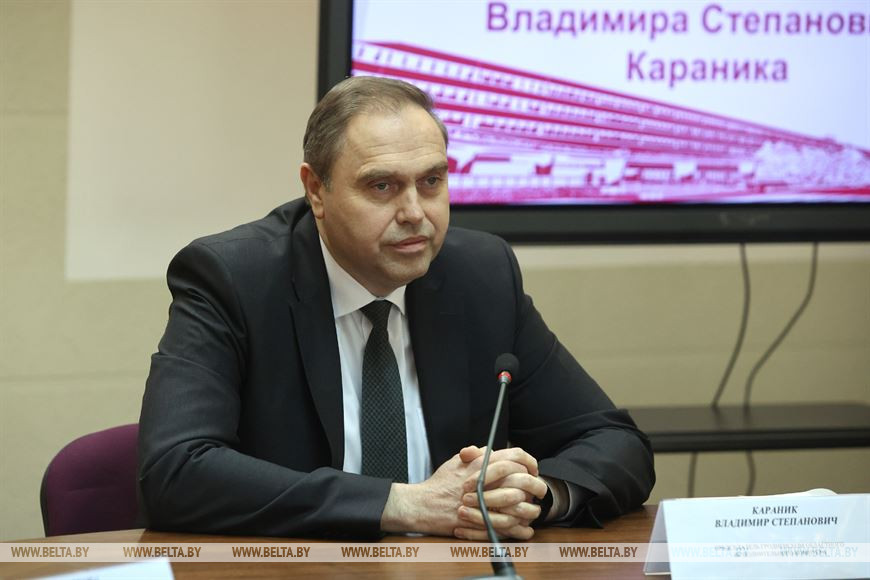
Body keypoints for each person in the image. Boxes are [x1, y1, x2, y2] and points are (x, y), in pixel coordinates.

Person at [138, 76, 654, 541]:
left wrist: (533, 496)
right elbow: (175, 471)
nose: (414, 213)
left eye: (432, 182)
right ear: (316, 190)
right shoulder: (234, 279)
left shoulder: (480, 276)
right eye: (381, 186)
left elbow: (614, 441)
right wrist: (406, 505)